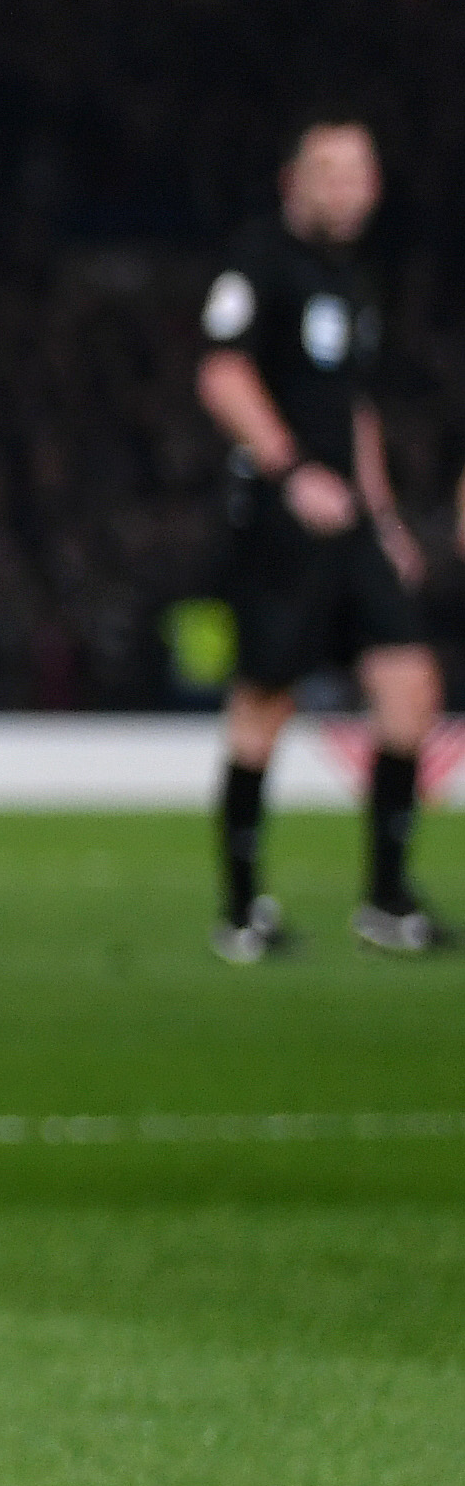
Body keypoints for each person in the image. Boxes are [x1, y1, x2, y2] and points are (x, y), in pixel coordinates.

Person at [197, 118, 439, 958]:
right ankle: (240, 912)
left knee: (411, 688)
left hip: (350, 524)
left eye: (359, 173)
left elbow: (355, 407)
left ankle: (386, 898)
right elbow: (222, 372)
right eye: (329, 171)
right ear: (291, 179)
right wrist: (291, 470)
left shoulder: (354, 280)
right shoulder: (259, 260)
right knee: (265, 702)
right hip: (282, 522)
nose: (346, 187)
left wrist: (382, 514)